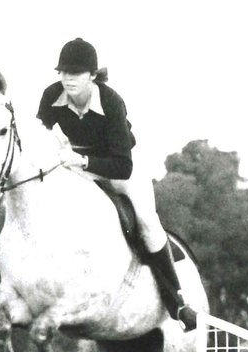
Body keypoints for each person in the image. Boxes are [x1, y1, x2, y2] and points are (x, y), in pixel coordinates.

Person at [36, 37, 196, 328]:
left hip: (118, 166)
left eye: (76, 73)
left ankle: (178, 302)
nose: (68, 79)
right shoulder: (50, 96)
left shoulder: (111, 101)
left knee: (146, 220)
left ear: (92, 76)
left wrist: (83, 162)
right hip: (75, 167)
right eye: (64, 72)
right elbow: (38, 138)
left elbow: (122, 166)